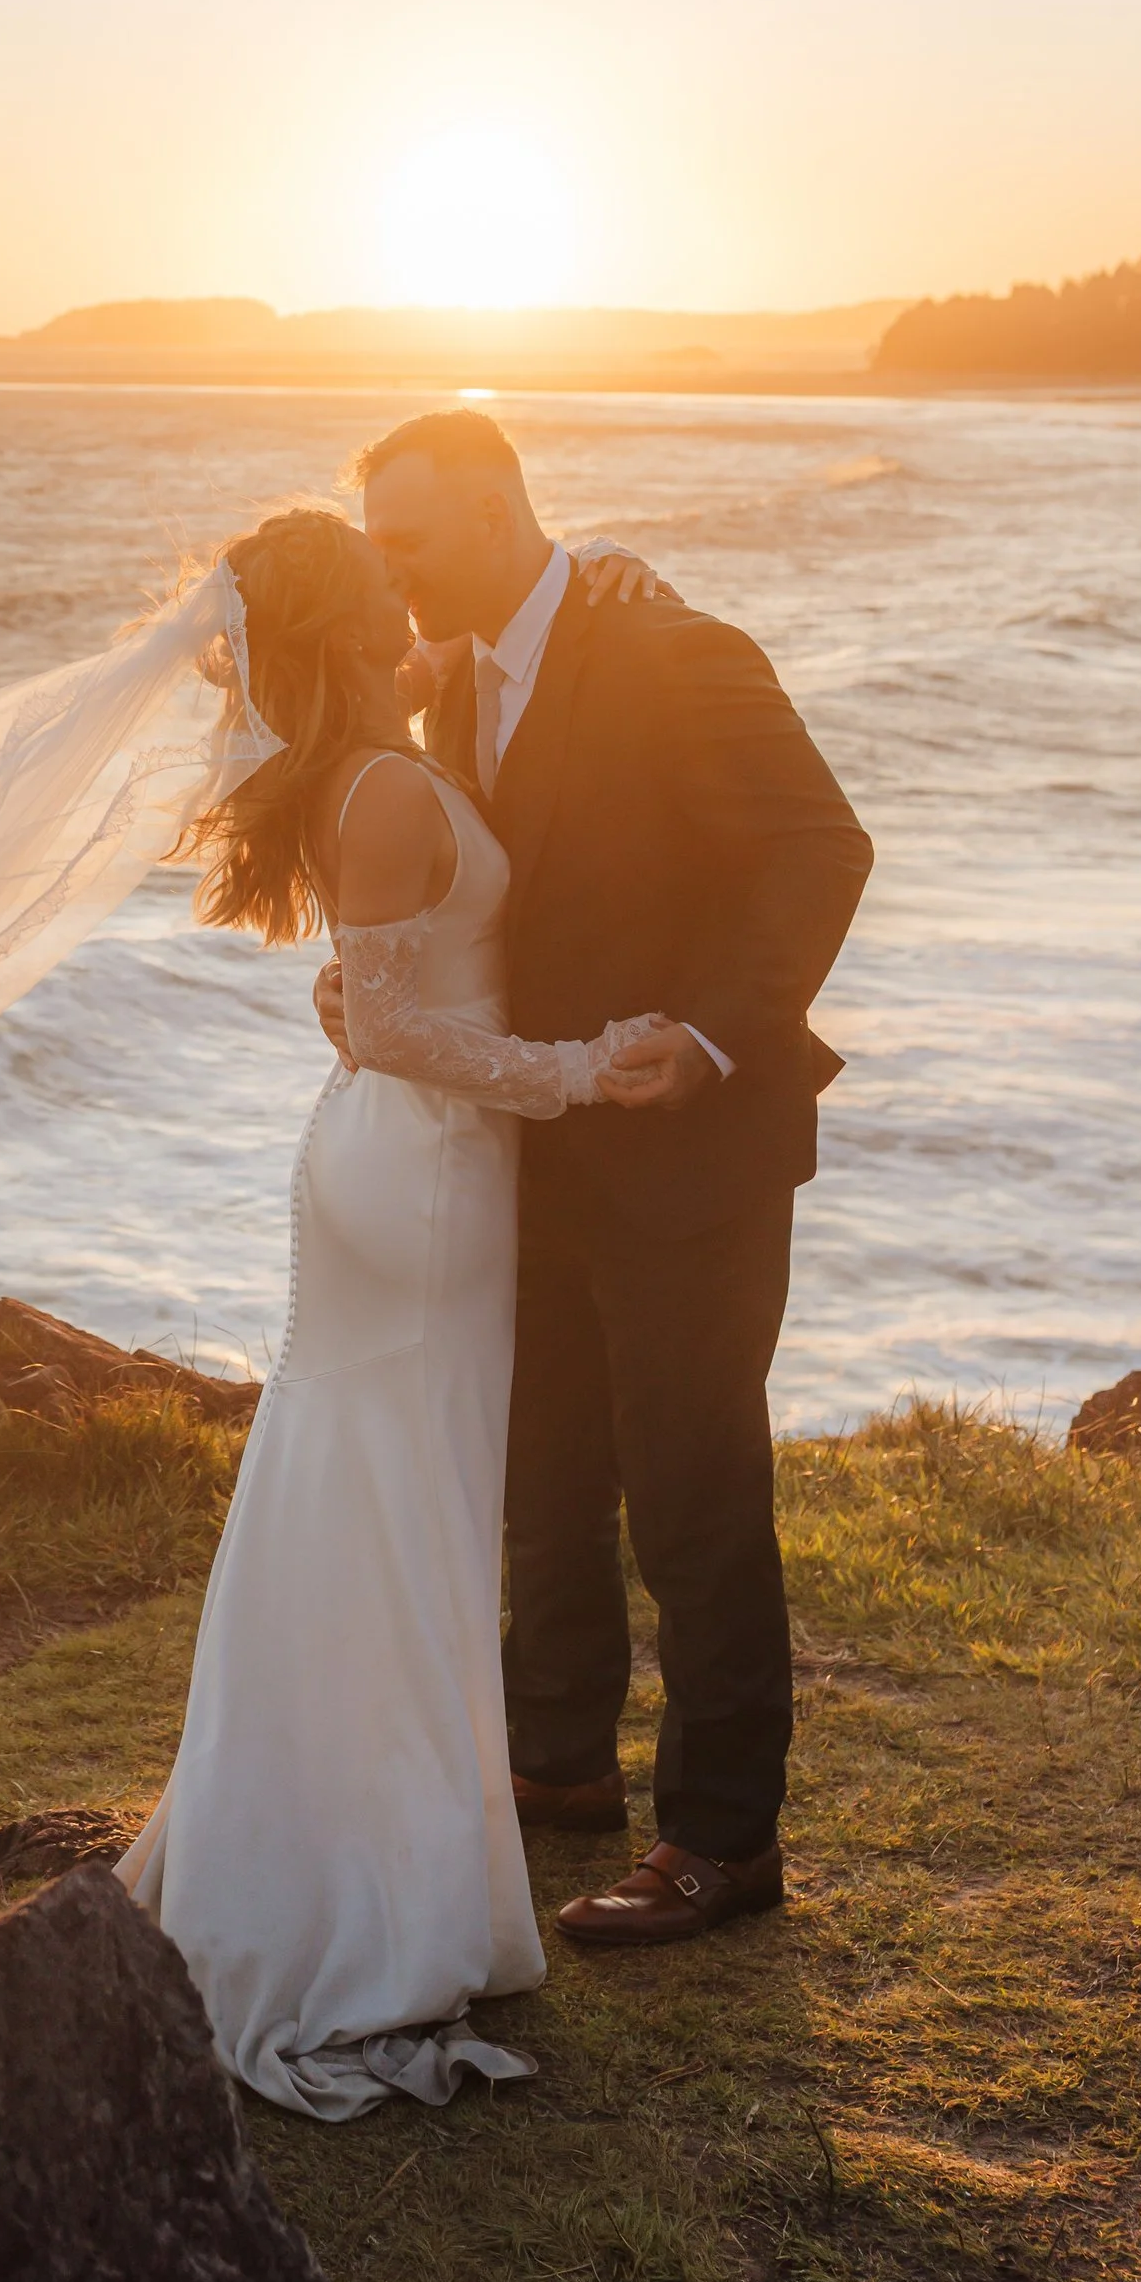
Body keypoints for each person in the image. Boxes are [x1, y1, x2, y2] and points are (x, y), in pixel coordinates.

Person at [117, 506, 664, 2115]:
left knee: (382, 1495)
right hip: (422, 1173)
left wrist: (616, 571)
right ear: (353, 622)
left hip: (411, 1167)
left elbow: (381, 991)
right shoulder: (382, 787)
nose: (409, 592)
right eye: (385, 584)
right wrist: (575, 1073)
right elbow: (408, 1025)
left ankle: (363, 1849)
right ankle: (365, 1904)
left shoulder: (371, 757)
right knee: (403, 1507)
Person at [333, 410, 873, 1948]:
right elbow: (489, 909)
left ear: (500, 508)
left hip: (691, 1151)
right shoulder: (455, 691)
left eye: (411, 539)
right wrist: (374, 1003)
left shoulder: (673, 651)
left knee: (695, 1491)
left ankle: (722, 1844)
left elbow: (821, 850)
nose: (392, 571)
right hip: (543, 1146)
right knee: (547, 1474)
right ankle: (556, 1765)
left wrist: (707, 1036)